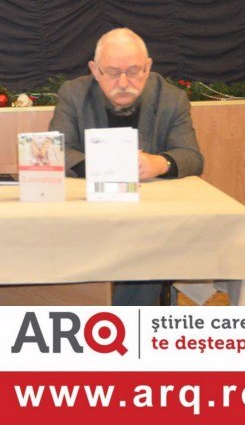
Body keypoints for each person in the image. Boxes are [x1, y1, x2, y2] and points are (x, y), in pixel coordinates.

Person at [49, 27, 205, 305]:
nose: (123, 82)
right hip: (88, 210)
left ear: (148, 67)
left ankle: (128, 322)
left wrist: (159, 163)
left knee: (144, 243)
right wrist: (105, 167)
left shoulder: (171, 99)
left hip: (147, 215)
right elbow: (57, 150)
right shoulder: (73, 94)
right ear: (95, 70)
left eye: (133, 71)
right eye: (112, 72)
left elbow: (191, 156)